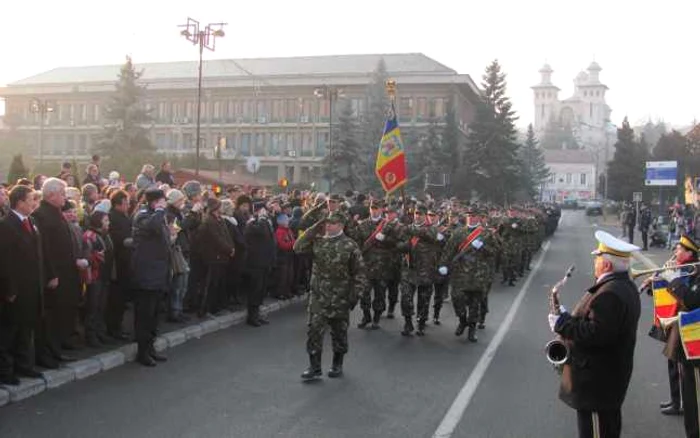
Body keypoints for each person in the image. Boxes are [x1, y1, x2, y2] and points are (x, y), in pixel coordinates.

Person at [549, 230, 641, 438]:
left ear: (607, 265)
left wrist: (563, 325)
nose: (595, 262)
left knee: (596, 432)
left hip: (597, 385)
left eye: (598, 258)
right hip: (605, 381)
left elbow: (596, 334)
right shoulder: (621, 286)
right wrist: (568, 318)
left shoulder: (609, 293)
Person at [293, 211, 367, 381]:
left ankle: (337, 363)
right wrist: (314, 226)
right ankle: (314, 367)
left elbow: (359, 273)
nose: (327, 226)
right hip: (319, 295)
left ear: (341, 226)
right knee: (314, 331)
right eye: (326, 223)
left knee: (339, 332)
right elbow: (297, 247)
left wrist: (354, 296)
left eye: (331, 223)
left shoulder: (350, 245)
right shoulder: (318, 240)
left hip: (340, 296)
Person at [0, 185, 44, 384]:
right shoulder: (6, 225)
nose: (34, 204)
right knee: (10, 331)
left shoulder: (31, 221)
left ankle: (24, 365)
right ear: (19, 202)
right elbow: (5, 261)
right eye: (30, 200)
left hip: (31, 286)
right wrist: (10, 289)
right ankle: (6, 371)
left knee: (26, 328)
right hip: (15, 289)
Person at [131, 189, 171, 367]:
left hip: (159, 273)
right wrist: (160, 211)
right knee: (145, 315)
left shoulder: (156, 216)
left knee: (154, 315)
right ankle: (142, 352)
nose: (165, 204)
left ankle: (150, 348)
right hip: (146, 274)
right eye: (163, 201)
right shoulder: (143, 215)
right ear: (155, 202)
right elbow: (152, 227)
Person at [666, 234, 700, 437]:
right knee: (689, 399)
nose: (675, 252)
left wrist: (675, 282)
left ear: (690, 253)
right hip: (687, 340)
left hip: (695, 345)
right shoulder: (693, 270)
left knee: (695, 399)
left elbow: (694, 301)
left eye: (680, 249)